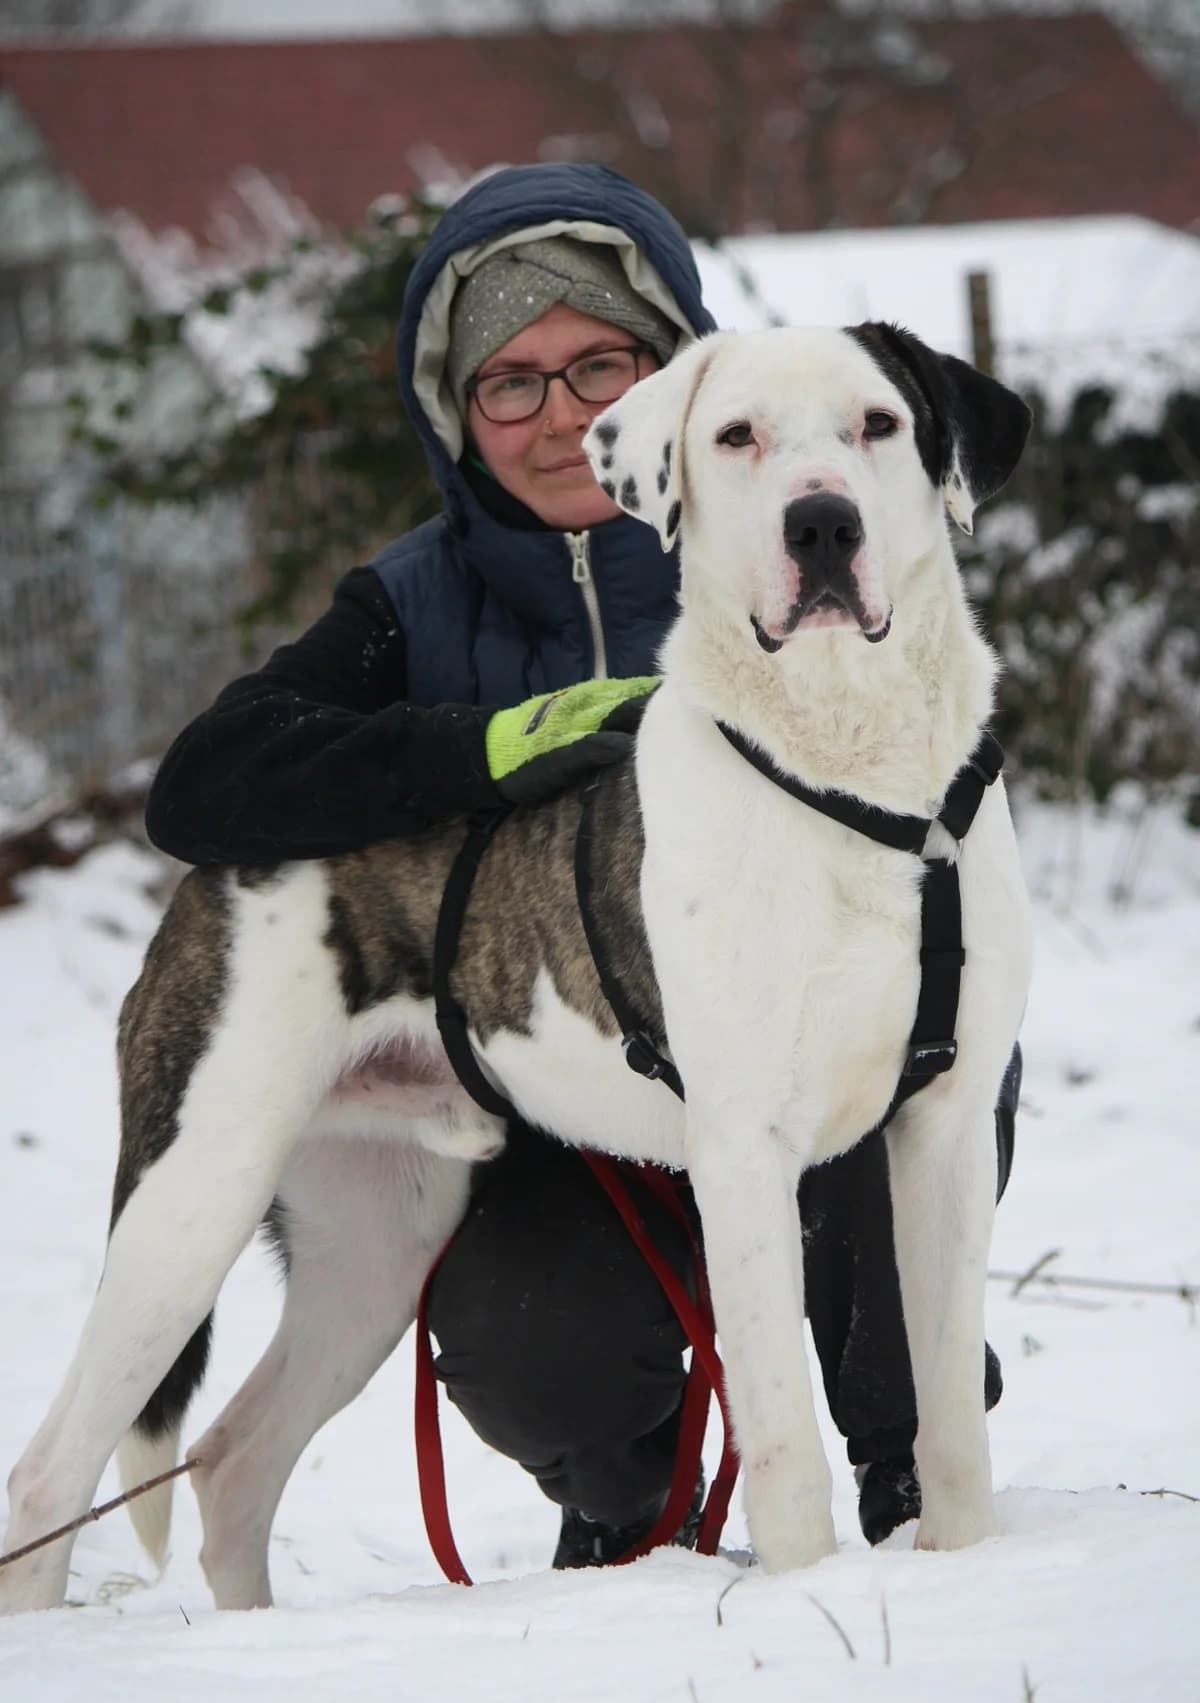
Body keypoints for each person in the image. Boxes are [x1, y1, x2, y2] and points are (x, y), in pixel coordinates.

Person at [146, 162, 1019, 1568]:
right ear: (457, 413)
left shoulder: (780, 533)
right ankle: (631, 1519)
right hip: (572, 1094)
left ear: (663, 383)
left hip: (806, 1067)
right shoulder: (413, 599)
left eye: (601, 364)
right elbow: (209, 781)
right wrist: (486, 746)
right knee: (527, 1327)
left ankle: (914, 1472)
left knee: (917, 1038)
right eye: (512, 380)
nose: (564, 413)